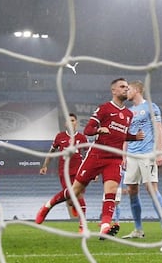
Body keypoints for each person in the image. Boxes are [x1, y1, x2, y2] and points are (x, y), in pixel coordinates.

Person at [35, 78, 144, 237]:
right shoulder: (104, 108)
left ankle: (104, 225)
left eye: (127, 87)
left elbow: (120, 135)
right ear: (113, 90)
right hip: (97, 155)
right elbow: (88, 129)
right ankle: (47, 206)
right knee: (74, 192)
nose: (126, 89)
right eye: (122, 87)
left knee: (111, 191)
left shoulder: (128, 114)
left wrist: (134, 137)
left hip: (115, 159)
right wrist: (99, 130)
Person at [121, 80, 162, 239]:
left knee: (152, 190)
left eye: (128, 89)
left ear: (136, 90)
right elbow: (126, 136)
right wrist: (124, 156)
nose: (125, 92)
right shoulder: (128, 112)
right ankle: (138, 229)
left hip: (147, 154)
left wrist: (159, 152)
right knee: (131, 191)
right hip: (132, 156)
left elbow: (159, 130)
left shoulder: (151, 107)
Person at [39, 113, 88, 220]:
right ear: (65, 124)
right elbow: (51, 152)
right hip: (64, 171)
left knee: (78, 194)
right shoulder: (60, 137)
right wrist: (45, 166)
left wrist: (92, 172)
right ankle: (73, 205)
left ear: (76, 123)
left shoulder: (82, 137)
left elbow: (89, 154)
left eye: (73, 120)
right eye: (69, 121)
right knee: (70, 199)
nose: (71, 123)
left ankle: (82, 224)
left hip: (78, 170)